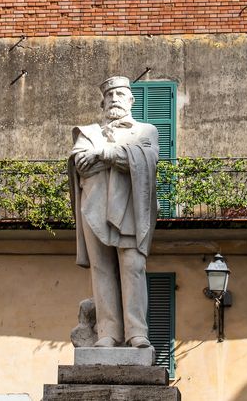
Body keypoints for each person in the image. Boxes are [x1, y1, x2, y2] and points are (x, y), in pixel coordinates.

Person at [68, 76, 159, 348]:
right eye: (110, 96)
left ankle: (136, 333)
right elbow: (82, 164)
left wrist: (104, 154)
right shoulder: (88, 133)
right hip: (93, 207)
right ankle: (107, 333)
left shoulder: (145, 131)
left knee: (133, 267)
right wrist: (115, 157)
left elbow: (148, 159)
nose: (115, 100)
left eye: (120, 94)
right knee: (102, 269)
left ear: (131, 100)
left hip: (130, 209)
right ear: (102, 102)